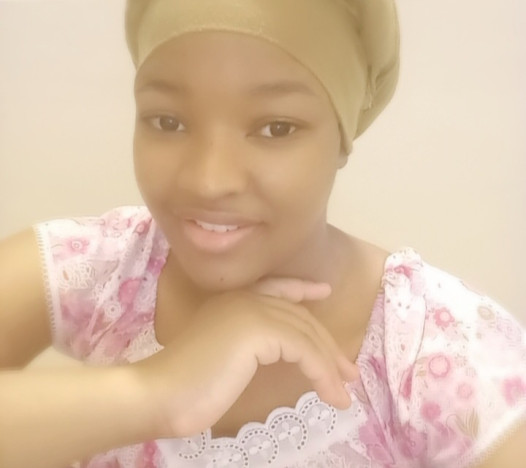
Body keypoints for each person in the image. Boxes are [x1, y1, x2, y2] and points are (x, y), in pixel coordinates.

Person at [0, 0, 525, 466]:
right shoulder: (110, 269)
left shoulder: (435, 350)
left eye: (276, 127)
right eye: (168, 121)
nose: (209, 181)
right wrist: (153, 392)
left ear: (343, 135)